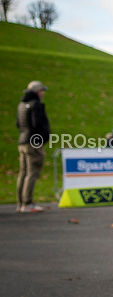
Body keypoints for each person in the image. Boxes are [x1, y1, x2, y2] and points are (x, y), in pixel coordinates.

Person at [16, 80, 50, 213]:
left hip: (23, 140)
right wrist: (45, 136)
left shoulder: (22, 104)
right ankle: (27, 202)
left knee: (23, 173)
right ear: (37, 91)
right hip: (34, 142)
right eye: (42, 91)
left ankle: (21, 203)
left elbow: (19, 124)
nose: (42, 93)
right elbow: (37, 124)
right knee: (32, 172)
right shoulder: (36, 104)